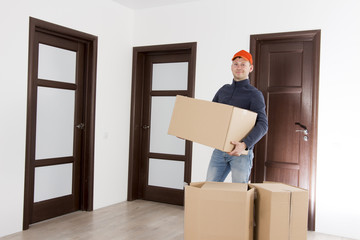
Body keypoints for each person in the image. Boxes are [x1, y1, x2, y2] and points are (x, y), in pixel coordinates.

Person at [206, 50, 268, 183]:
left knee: (239, 193)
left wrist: (244, 144)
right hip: (220, 149)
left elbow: (263, 124)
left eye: (243, 64)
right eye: (235, 64)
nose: (239, 67)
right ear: (231, 67)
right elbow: (210, 116)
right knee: (210, 188)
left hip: (241, 153)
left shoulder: (255, 94)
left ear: (250, 68)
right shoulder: (223, 90)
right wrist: (188, 131)